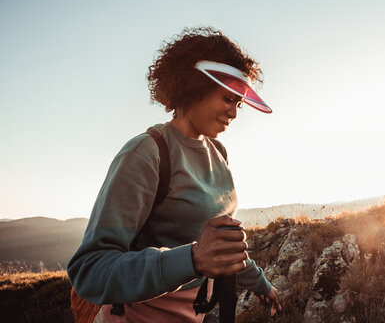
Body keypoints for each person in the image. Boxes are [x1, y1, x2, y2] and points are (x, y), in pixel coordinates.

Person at [67, 27, 281, 322]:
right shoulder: (146, 153)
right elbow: (89, 271)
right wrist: (192, 260)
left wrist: (260, 284)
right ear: (193, 87)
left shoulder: (218, 152)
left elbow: (216, 244)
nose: (234, 113)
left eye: (239, 103)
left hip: (191, 314)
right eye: (228, 99)